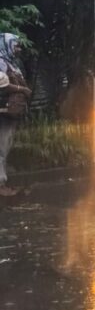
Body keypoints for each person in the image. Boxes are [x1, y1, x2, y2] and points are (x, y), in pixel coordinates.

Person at [0, 34, 31, 197]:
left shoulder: (10, 63)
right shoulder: (1, 61)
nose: (18, 49)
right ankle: (0, 184)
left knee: (5, 146)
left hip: (10, 113)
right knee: (1, 148)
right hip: (3, 112)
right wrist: (22, 90)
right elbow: (2, 85)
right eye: (16, 46)